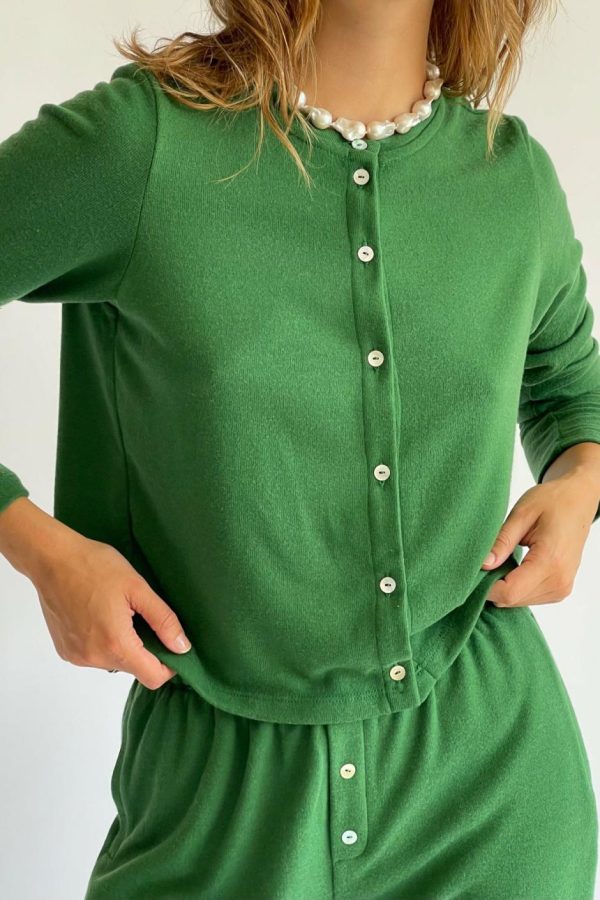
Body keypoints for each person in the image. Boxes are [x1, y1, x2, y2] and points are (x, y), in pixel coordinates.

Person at [1, 0, 599, 897]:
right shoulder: (141, 146)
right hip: (220, 800)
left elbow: (570, 388)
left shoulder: (510, 180)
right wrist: (36, 546)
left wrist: (581, 483)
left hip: (494, 791)